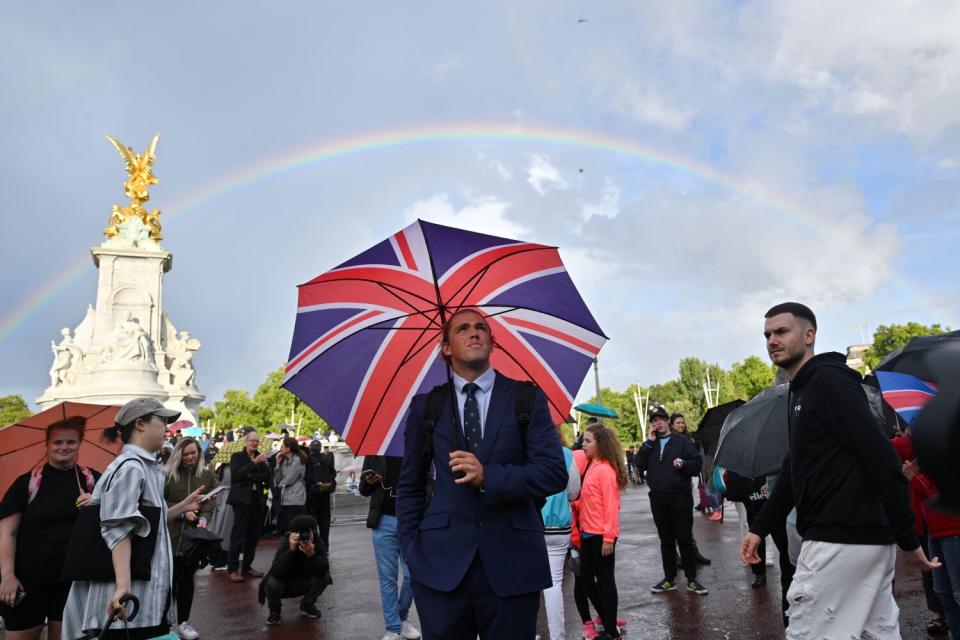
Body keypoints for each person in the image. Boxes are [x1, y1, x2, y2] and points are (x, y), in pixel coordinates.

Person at [741, 302, 939, 639]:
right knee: (878, 633)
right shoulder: (801, 391)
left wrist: (907, 538)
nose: (772, 340)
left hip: (839, 539)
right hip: (857, 540)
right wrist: (759, 527)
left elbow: (880, 457)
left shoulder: (828, 383)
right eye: (767, 335)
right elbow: (793, 470)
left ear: (809, 335)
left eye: (781, 331)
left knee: (807, 632)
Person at [396, 308, 567, 640]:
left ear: (492, 342)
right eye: (461, 329)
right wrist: (412, 550)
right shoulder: (426, 407)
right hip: (439, 569)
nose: (473, 333)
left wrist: (490, 476)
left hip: (513, 565)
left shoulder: (526, 398)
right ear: (446, 348)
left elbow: (552, 473)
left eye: (481, 327)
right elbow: (410, 485)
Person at [61, 398, 205, 640]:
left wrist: (182, 506)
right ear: (140, 424)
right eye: (162, 421)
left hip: (146, 600)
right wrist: (123, 587)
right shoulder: (131, 468)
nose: (167, 429)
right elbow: (118, 529)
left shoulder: (146, 467)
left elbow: (146, 524)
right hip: (131, 604)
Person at [0, 416, 100, 640]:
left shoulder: (93, 481)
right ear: (47, 444)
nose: (64, 447)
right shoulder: (26, 483)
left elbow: (115, 517)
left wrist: (96, 503)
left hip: (73, 582)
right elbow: (7, 532)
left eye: (70, 442)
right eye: (57, 442)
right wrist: (7, 576)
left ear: (79, 443)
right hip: (28, 581)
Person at [636, 407, 707, 595]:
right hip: (658, 498)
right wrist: (649, 443)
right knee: (665, 540)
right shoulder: (650, 444)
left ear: (667, 421)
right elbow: (639, 464)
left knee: (684, 538)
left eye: (661, 419)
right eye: (654, 421)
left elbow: (696, 465)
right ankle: (670, 578)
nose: (658, 423)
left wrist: (683, 464)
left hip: (680, 496)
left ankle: (692, 579)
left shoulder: (681, 441)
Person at [360, 455, 421, 640]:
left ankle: (401, 619)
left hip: (410, 521)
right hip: (383, 520)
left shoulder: (415, 444)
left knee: (413, 575)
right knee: (388, 578)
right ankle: (393, 628)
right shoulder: (374, 451)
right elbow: (363, 489)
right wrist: (370, 482)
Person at [576, 423, 627, 640]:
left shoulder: (605, 470)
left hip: (601, 535)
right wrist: (576, 504)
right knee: (586, 578)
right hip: (588, 533)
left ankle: (610, 631)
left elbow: (611, 506)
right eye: (583, 440)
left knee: (606, 581)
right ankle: (607, 619)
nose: (583, 444)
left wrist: (608, 537)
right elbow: (591, 500)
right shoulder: (592, 466)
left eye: (588, 441)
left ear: (601, 444)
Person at [164, 437, 218, 640]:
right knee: (168, 583)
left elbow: (212, 500)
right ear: (178, 455)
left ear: (199, 453)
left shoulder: (206, 474)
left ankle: (183, 622)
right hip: (171, 534)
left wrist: (204, 517)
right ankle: (166, 623)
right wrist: (182, 511)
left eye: (193, 453)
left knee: (187, 580)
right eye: (185, 454)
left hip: (193, 539)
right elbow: (161, 500)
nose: (189, 457)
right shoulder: (168, 475)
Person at [540, 427, 581, 640]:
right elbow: (574, 490)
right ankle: (558, 636)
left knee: (526, 583)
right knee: (554, 583)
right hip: (559, 525)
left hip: (531, 525)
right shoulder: (565, 453)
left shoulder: (525, 450)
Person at [259, 514, 331, 625]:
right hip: (285, 585)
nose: (305, 535)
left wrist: (312, 555)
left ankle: (307, 605)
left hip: (305, 581)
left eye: (308, 531)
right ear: (294, 532)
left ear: (314, 531)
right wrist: (291, 551)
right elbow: (276, 571)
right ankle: (275, 612)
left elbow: (324, 569)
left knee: (325, 577)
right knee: (271, 583)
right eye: (301, 531)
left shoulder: (317, 542)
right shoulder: (286, 542)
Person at [226, 430, 271, 582]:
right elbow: (237, 475)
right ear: (246, 442)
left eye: (257, 441)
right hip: (242, 500)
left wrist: (251, 475)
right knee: (238, 534)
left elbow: (266, 476)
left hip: (257, 500)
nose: (254, 443)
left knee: (254, 535)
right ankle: (232, 569)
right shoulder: (237, 457)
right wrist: (253, 464)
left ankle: (247, 567)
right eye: (252, 441)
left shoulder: (261, 457)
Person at [668, 413, 713, 563]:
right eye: (678, 423)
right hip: (672, 486)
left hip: (685, 484)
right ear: (671, 425)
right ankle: (675, 556)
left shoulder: (688, 440)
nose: (681, 425)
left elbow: (694, 462)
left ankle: (693, 553)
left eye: (682, 422)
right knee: (673, 524)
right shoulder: (668, 440)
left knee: (687, 522)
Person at [305, 441, 336, 551]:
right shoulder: (327, 459)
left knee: (313, 521)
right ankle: (325, 546)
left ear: (310, 449)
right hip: (325, 493)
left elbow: (307, 477)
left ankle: (315, 546)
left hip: (312, 494)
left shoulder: (308, 460)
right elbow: (333, 474)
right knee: (325, 521)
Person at [274, 437, 308, 536]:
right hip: (285, 498)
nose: (281, 448)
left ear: (288, 448)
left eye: (282, 446)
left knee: (294, 526)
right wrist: (277, 464)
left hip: (296, 497)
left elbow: (290, 478)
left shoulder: (297, 460)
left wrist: (278, 486)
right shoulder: (284, 461)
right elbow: (277, 479)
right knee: (287, 526)